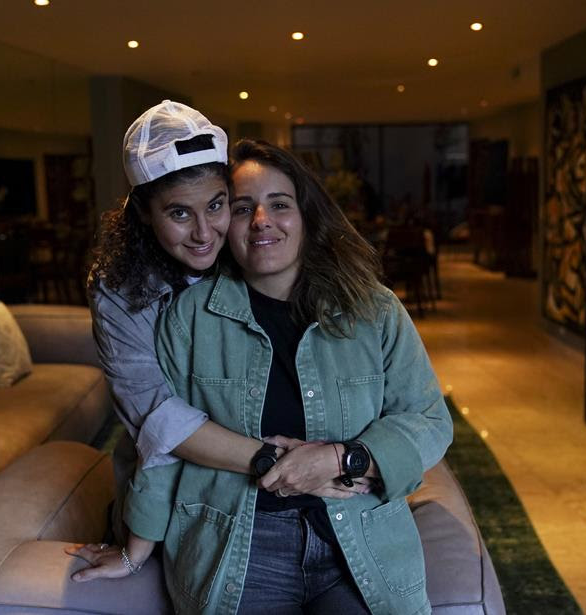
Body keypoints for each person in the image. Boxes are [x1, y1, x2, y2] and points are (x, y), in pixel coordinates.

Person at [125, 139, 453, 614]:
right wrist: (135, 546)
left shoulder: (374, 309)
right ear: (224, 225)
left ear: (306, 216)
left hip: (357, 534)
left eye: (279, 204)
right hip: (241, 540)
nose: (262, 220)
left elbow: (428, 419)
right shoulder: (190, 318)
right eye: (242, 208)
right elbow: (166, 440)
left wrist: (344, 458)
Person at [67, 103, 367, 581]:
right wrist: (282, 463)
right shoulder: (118, 287)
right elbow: (155, 415)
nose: (205, 233)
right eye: (179, 213)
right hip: (171, 483)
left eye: (216, 205)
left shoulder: (251, 248)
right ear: (143, 211)